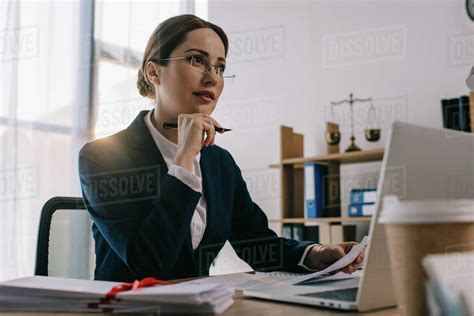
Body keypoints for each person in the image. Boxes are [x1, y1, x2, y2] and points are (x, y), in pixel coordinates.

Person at [78, 14, 364, 282]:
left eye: (220, 67)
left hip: (197, 308)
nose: (212, 77)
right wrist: (184, 160)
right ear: (153, 71)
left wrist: (314, 255)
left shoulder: (220, 162)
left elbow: (256, 244)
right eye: (196, 60)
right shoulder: (102, 157)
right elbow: (149, 264)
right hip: (126, 307)